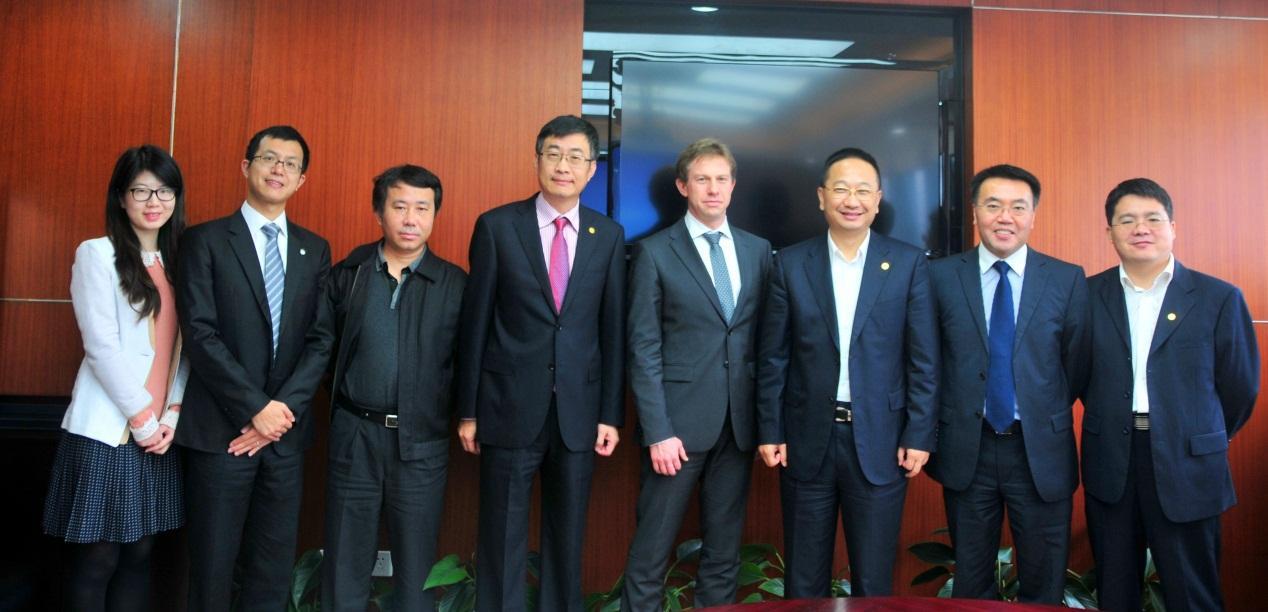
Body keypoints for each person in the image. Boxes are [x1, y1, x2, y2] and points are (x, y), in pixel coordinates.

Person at [455, 115, 625, 612]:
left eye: (575, 157)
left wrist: (610, 414)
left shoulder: (608, 235)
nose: (563, 166)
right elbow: (475, 325)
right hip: (507, 407)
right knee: (501, 536)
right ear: (537, 161)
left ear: (591, 169)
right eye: (553, 154)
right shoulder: (497, 227)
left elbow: (612, 332)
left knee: (567, 538)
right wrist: (468, 410)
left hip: (579, 412)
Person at [756, 147, 937, 597]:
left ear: (878, 199)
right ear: (822, 196)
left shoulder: (908, 263)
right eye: (840, 189)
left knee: (873, 580)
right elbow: (773, 356)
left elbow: (923, 358)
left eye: (862, 190)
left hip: (881, 441)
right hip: (806, 439)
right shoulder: (790, 263)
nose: (851, 200)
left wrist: (918, 433)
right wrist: (771, 429)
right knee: (804, 580)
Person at [175, 125, 334, 611]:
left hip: (284, 438)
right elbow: (200, 335)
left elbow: (321, 339)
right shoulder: (204, 241)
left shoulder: (314, 248)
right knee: (212, 567)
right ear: (247, 167)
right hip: (222, 434)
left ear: (301, 179)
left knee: (272, 568)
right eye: (269, 158)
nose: (278, 169)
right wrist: (254, 409)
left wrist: (278, 414)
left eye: (290, 163)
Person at [1081, 178, 1259, 612]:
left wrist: (1200, 433)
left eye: (1152, 218)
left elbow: (1240, 387)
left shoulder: (1218, 297)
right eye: (1127, 220)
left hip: (1188, 462)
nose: (1140, 228)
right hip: (1113, 460)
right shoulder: (1085, 295)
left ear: (1173, 227)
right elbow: (1076, 376)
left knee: (1192, 594)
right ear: (1109, 232)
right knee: (1115, 592)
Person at [620, 139, 772, 610]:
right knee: (651, 551)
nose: (713, 189)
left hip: (739, 426)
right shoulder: (654, 252)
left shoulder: (758, 250)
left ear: (733, 185)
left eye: (721, 179)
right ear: (683, 186)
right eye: (702, 179)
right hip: (676, 431)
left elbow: (766, 341)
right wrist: (657, 431)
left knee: (724, 554)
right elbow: (643, 348)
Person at [926, 164, 1089, 603]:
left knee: (1044, 584)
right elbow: (929, 360)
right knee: (971, 583)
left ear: (1033, 215)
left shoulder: (1066, 278)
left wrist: (1038, 407)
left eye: (1018, 207)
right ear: (974, 212)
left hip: (1039, 450)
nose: (1005, 217)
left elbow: (1075, 366)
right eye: (993, 205)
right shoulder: (940, 277)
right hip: (968, 447)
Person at [42, 144, 190, 611]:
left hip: (159, 434)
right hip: (110, 431)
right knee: (98, 558)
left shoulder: (180, 262)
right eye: (141, 190)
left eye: (164, 191)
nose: (153, 201)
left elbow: (187, 349)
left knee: (140, 555)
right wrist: (143, 420)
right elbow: (100, 346)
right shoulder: (97, 254)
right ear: (121, 198)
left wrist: (171, 414)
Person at [321, 164, 466, 611]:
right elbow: (320, 351)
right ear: (378, 212)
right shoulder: (349, 274)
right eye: (399, 206)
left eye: (422, 208)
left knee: (417, 568)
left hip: (421, 441)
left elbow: (468, 365)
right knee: (344, 561)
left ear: (434, 215)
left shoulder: (455, 284)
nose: (410, 219)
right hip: (354, 435)